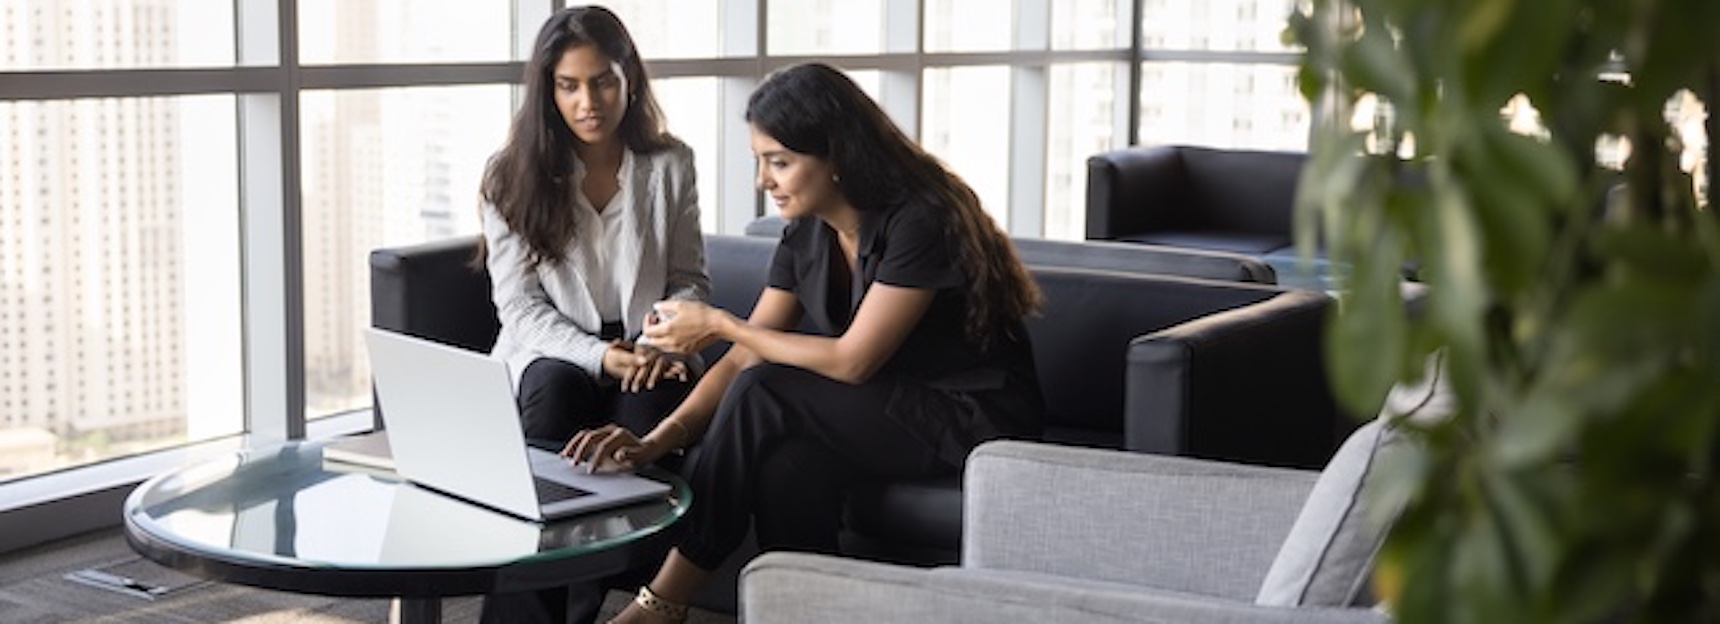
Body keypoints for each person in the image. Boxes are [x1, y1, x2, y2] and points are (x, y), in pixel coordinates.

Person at [567, 62, 1046, 624]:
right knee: (787, 466)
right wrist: (655, 441)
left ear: (838, 157)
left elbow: (852, 360)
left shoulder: (922, 220)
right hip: (890, 409)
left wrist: (721, 324)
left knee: (767, 390)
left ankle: (666, 599)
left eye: (780, 162)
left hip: (970, 420)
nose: (763, 181)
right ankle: (806, 611)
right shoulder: (807, 230)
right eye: (760, 162)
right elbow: (745, 354)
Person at [475, 7, 706, 622]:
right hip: (554, 349)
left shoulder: (670, 164)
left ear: (628, 76)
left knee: (646, 412)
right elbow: (519, 308)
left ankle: (600, 598)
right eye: (568, 85)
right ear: (548, 92)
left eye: (602, 80)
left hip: (647, 347)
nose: (588, 101)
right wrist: (601, 355)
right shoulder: (509, 176)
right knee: (552, 391)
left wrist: (662, 337)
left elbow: (689, 279)